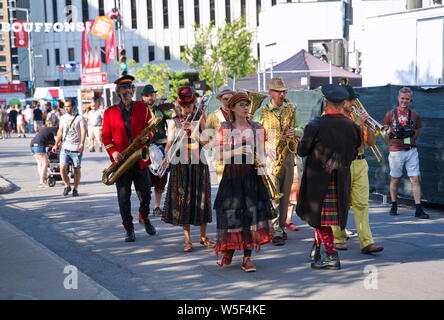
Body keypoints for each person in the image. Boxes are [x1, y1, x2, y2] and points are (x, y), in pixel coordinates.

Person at [296, 84, 361, 270]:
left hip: (318, 181)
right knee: (322, 219)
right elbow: (354, 151)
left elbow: (302, 151)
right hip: (341, 180)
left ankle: (331, 255)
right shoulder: (353, 127)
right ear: (342, 104)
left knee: (318, 220)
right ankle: (317, 247)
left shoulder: (315, 125)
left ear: (325, 103)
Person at [214, 92, 274, 272]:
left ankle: (247, 258)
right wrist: (239, 149)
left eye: (247, 104)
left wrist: (264, 167)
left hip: (251, 176)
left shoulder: (257, 128)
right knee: (232, 215)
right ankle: (230, 251)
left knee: (251, 217)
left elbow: (262, 154)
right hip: (232, 175)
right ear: (232, 108)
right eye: (241, 105)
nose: (246, 108)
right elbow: (218, 156)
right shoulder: (225, 128)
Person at [102, 75, 156, 242]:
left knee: (146, 193)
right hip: (121, 161)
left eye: (130, 88)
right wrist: (113, 152)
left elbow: (151, 127)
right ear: (119, 92)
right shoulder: (109, 112)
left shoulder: (142, 107)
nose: (128, 91)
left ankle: (144, 216)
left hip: (139, 158)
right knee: (123, 197)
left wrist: (149, 137)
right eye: (124, 88)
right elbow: (106, 138)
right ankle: (129, 228)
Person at [331, 85, 384, 254]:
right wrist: (356, 123)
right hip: (342, 163)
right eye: (351, 100)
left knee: (361, 203)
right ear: (343, 101)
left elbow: (370, 143)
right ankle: (338, 238)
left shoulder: (358, 116)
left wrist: (367, 125)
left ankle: (366, 242)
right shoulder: (334, 117)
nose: (354, 103)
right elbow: (339, 141)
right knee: (340, 202)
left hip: (360, 163)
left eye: (354, 100)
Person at [162, 86, 214, 253]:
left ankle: (203, 237)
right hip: (180, 164)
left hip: (199, 162)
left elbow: (207, 142)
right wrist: (166, 156)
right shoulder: (174, 119)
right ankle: (188, 240)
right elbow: (169, 143)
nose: (186, 109)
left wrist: (195, 132)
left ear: (194, 103)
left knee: (202, 198)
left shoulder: (200, 116)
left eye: (189, 105)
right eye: (183, 106)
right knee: (183, 200)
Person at [252, 78, 299, 246]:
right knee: (273, 195)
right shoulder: (261, 112)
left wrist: (296, 131)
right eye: (279, 92)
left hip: (287, 156)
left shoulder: (291, 109)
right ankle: (275, 230)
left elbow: (300, 128)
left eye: (284, 91)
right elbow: (254, 134)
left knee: (285, 196)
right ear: (270, 93)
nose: (282, 94)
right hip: (269, 159)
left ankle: (280, 227)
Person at [382, 87, 429, 219]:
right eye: (402, 98)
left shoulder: (414, 115)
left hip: (411, 150)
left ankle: (418, 208)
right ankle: (394, 204)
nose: (404, 101)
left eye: (407, 99)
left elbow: (417, 131)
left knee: (414, 178)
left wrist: (410, 141)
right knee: (395, 178)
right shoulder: (390, 114)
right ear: (398, 98)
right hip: (396, 151)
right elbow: (384, 132)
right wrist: (391, 142)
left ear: (410, 100)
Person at [141, 84, 173, 217]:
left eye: (152, 95)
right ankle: (145, 207)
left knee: (161, 178)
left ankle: (157, 207)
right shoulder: (139, 110)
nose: (150, 97)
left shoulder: (160, 109)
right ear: (143, 97)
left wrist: (173, 107)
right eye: (147, 95)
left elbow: (173, 120)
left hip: (161, 145)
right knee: (145, 181)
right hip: (145, 148)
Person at [52, 100, 87, 197]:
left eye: (68, 106)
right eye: (65, 107)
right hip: (65, 148)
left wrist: (82, 144)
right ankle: (67, 186)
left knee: (76, 169)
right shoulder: (63, 118)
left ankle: (75, 189)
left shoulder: (80, 118)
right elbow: (60, 131)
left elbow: (84, 131)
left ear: (73, 107)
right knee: (62, 168)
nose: (66, 108)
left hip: (76, 149)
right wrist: (56, 144)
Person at [206, 86, 235, 183]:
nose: (227, 101)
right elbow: (207, 137)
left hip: (238, 157)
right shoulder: (213, 116)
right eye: (225, 99)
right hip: (221, 159)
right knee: (224, 189)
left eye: (230, 99)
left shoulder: (238, 114)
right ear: (219, 99)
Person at [30, 122, 58, 187]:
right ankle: (42, 181)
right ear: (56, 125)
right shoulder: (54, 129)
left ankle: (42, 179)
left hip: (32, 145)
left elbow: (46, 142)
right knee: (45, 163)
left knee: (40, 163)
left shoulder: (45, 129)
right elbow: (57, 141)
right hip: (39, 145)